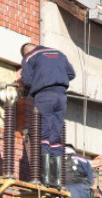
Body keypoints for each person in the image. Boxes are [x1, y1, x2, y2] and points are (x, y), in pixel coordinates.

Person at [19, 42, 76, 188]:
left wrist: (32, 86)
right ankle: (56, 180)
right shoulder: (59, 53)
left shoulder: (29, 56)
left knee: (43, 134)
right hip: (62, 97)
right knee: (55, 136)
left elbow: (27, 79)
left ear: (26, 52)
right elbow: (71, 74)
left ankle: (44, 178)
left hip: (44, 96)